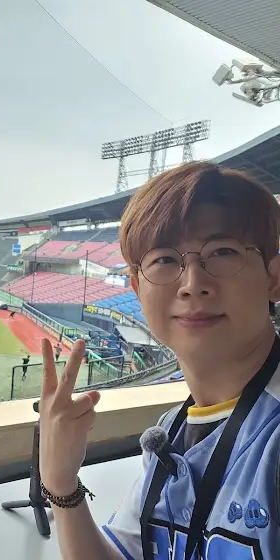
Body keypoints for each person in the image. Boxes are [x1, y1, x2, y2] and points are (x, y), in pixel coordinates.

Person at [39, 162, 280, 560]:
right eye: (165, 260)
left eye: (222, 252)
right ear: (137, 289)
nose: (193, 284)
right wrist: (61, 484)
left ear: (273, 276)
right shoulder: (170, 432)